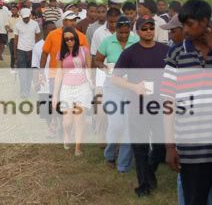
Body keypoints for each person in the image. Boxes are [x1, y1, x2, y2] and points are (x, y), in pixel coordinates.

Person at [161, 0, 212, 205]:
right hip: (191, 151)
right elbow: (168, 103)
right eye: (183, 24)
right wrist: (169, 146)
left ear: (205, 22)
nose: (185, 30)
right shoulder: (175, 53)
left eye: (190, 24)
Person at [112, 15, 169, 197]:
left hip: (159, 106)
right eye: (144, 28)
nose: (149, 31)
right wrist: (134, 87)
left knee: (160, 147)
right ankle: (143, 185)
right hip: (138, 107)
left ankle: (149, 172)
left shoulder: (165, 50)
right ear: (138, 31)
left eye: (151, 28)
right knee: (140, 148)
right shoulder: (130, 53)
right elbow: (115, 78)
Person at [94, 15, 138, 173]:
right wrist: (105, 67)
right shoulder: (108, 41)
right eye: (121, 32)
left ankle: (123, 164)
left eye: (127, 32)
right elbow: (97, 60)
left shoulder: (136, 41)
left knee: (128, 125)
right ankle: (110, 155)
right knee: (116, 123)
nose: (124, 35)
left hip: (131, 87)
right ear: (116, 29)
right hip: (112, 87)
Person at [52, 26, 93, 156]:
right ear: (64, 41)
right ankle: (66, 133)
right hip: (67, 88)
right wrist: (55, 95)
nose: (69, 41)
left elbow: (89, 68)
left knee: (79, 118)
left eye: (71, 38)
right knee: (67, 122)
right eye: (66, 39)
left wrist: (91, 83)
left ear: (75, 38)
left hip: (82, 87)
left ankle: (78, 147)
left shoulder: (84, 50)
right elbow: (59, 74)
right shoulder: (61, 54)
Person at [14, 7, 41, 97]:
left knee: (29, 73)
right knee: (22, 72)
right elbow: (16, 39)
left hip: (32, 51)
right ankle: (23, 91)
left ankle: (28, 90)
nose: (26, 19)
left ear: (30, 15)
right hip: (21, 50)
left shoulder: (35, 24)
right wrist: (15, 54)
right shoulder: (17, 24)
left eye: (27, 17)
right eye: (24, 18)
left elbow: (38, 36)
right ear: (21, 16)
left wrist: (36, 49)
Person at [6, 4, 20, 69]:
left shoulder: (21, 18)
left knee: (19, 53)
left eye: (15, 10)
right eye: (12, 10)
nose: (13, 11)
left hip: (19, 38)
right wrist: (8, 29)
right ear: (11, 11)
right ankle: (12, 66)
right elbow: (6, 25)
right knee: (12, 53)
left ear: (18, 10)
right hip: (11, 38)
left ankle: (18, 65)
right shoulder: (8, 18)